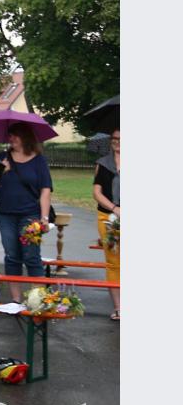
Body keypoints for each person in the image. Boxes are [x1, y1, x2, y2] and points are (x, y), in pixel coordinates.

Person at [0, 122, 53, 303]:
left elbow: (45, 190)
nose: (11, 138)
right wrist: (1, 172)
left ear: (25, 137)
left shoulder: (38, 160)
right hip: (5, 214)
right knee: (12, 255)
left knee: (31, 255)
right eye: (9, 135)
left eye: (15, 135)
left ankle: (39, 301)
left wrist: (44, 218)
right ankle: (16, 301)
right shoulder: (2, 157)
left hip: (30, 214)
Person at [93, 128, 120, 320]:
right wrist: (114, 208)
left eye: (121, 139)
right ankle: (119, 307)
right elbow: (97, 192)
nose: (117, 142)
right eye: (114, 138)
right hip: (108, 218)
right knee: (113, 263)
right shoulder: (103, 164)